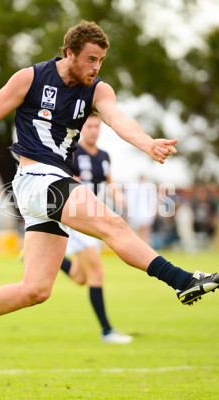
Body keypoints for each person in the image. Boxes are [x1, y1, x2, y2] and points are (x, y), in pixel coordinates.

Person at [0, 21, 219, 371]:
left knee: (36, 290)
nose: (96, 67)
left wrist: (147, 142)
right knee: (113, 225)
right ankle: (183, 281)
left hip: (51, 183)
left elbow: (119, 121)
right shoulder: (30, 78)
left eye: (101, 60)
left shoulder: (98, 90)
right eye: (90, 59)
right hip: (34, 179)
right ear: (69, 52)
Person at [59, 112, 132, 344]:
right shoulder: (72, 152)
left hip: (96, 218)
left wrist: (118, 196)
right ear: (81, 128)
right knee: (97, 273)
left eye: (96, 126)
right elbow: (61, 178)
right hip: (78, 219)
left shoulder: (104, 156)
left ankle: (41, 255)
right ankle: (107, 331)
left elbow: (108, 183)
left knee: (81, 277)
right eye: (89, 126)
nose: (93, 130)